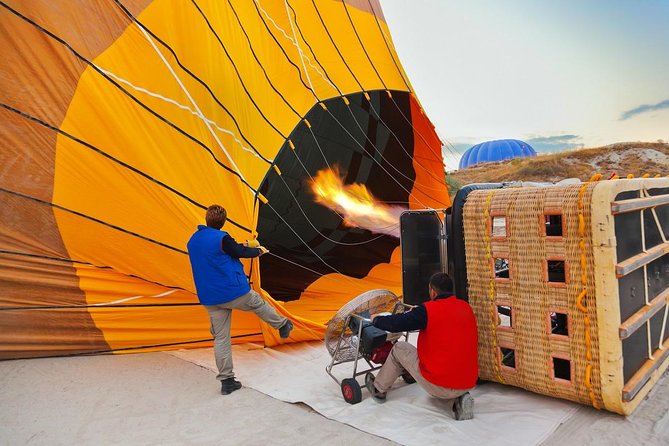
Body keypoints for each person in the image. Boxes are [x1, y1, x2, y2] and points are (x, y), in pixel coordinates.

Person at [187, 204, 293, 395]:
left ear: (206, 219)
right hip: (232, 292)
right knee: (258, 304)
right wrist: (257, 251)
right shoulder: (222, 238)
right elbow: (238, 252)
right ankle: (282, 325)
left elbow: (221, 253)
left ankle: (227, 381)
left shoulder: (193, 240)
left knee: (221, 339)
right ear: (223, 221)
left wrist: (239, 246)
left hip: (210, 298)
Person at [367, 272, 478, 420]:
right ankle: (460, 399)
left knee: (399, 348)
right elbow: (445, 318)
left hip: (439, 384)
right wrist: (419, 311)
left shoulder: (426, 311)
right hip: (468, 381)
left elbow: (397, 323)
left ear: (432, 291)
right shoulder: (466, 307)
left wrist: (377, 320)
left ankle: (378, 389)